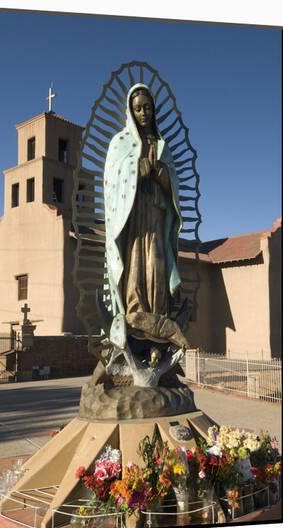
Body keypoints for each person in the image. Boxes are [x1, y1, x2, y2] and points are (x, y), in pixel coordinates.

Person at [103, 83, 188, 367]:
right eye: (138, 108)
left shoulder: (161, 145)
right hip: (132, 224)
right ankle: (136, 329)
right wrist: (135, 170)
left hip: (157, 219)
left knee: (158, 271)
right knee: (135, 271)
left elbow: (174, 184)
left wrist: (162, 174)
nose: (143, 113)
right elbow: (111, 182)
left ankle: (158, 339)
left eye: (148, 107)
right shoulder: (120, 142)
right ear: (130, 110)